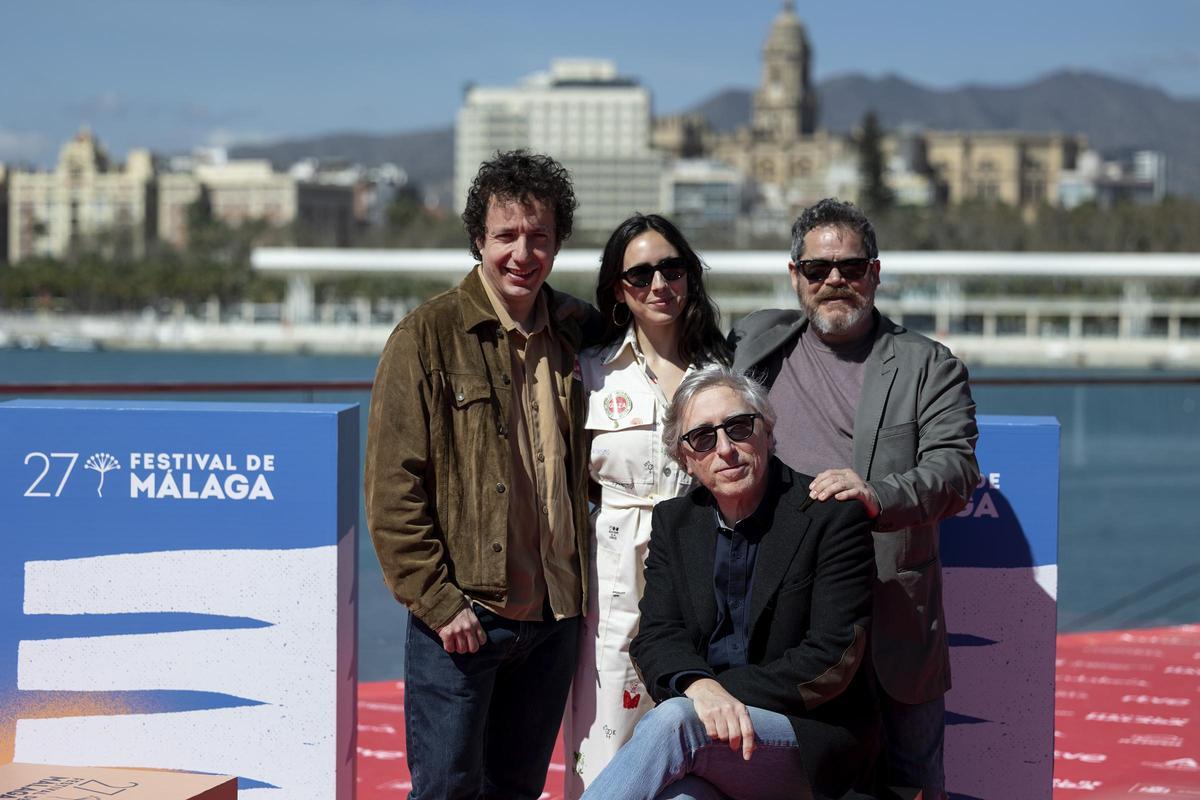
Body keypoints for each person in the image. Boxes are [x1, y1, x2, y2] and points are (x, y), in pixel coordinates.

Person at [729, 198, 979, 799]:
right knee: (786, 783)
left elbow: (956, 469)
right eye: (817, 269)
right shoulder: (755, 341)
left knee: (910, 784)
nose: (834, 280)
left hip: (891, 627)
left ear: (875, 273)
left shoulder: (928, 366)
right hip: (786, 629)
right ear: (795, 276)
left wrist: (876, 495)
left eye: (851, 266)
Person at [364, 150, 591, 800]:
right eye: (507, 236)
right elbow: (392, 491)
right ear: (477, 240)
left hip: (553, 619)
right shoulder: (426, 338)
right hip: (464, 620)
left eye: (539, 236)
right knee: (444, 792)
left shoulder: (578, 332)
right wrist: (439, 604)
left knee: (515, 793)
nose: (523, 253)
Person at [582, 365, 879, 800]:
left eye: (739, 427)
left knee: (675, 721)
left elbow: (833, 656)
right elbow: (657, 638)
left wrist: (713, 696)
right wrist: (700, 687)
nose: (725, 449)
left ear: (767, 432)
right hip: (712, 735)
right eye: (703, 438)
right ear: (685, 458)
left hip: (806, 737)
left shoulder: (830, 516)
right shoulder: (675, 523)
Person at [563, 214, 732, 798]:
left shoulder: (724, 374)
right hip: (612, 571)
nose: (659, 284)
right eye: (640, 273)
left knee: (695, 718)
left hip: (702, 563)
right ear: (617, 287)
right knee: (606, 726)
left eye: (672, 268)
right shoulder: (589, 373)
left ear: (690, 276)